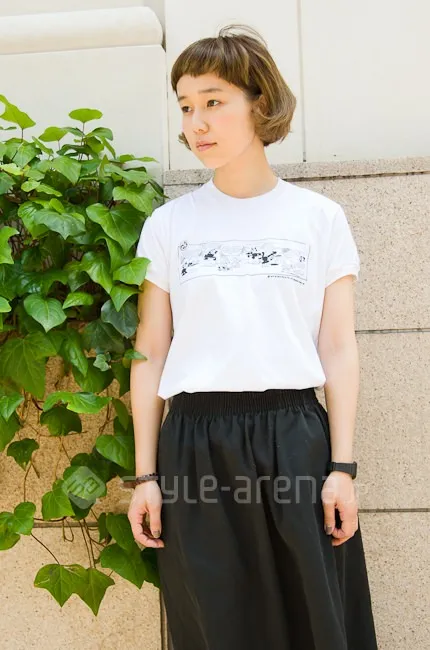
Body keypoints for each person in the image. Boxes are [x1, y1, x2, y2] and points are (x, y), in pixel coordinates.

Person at [127, 24, 378, 650]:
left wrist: (342, 467)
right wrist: (146, 476)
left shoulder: (318, 218)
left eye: (214, 102)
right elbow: (150, 352)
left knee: (313, 616)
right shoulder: (169, 225)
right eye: (186, 106)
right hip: (195, 443)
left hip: (294, 437)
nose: (197, 123)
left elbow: (338, 347)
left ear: (259, 103)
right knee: (217, 622)